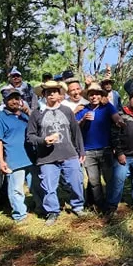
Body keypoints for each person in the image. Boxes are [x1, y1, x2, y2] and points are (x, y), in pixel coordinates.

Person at [26, 80, 86, 225]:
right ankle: (52, 211)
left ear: (60, 94)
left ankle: (78, 206)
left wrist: (81, 150)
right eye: (49, 92)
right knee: (48, 186)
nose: (52, 94)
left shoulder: (66, 111)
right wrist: (44, 140)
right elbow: (30, 136)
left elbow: (75, 132)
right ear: (44, 94)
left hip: (69, 153)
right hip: (46, 157)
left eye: (55, 91)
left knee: (76, 181)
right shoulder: (36, 113)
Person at [0, 88, 38, 222]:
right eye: (11, 99)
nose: (15, 101)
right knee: (16, 190)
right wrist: (1, 161)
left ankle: (39, 208)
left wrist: (29, 113)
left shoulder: (24, 116)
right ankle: (20, 215)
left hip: (31, 157)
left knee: (36, 187)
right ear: (5, 101)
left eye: (17, 98)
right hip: (14, 159)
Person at [75, 83, 120, 213]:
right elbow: (75, 128)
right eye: (91, 94)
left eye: (97, 94)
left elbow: (116, 117)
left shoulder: (107, 108)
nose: (94, 96)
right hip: (88, 151)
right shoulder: (82, 109)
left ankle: (111, 205)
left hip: (105, 149)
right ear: (88, 96)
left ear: (101, 96)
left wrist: (120, 122)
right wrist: (83, 119)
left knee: (109, 179)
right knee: (94, 181)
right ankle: (101, 206)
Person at [110, 90, 133, 211]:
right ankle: (112, 205)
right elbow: (114, 135)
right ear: (130, 99)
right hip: (124, 156)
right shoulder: (120, 114)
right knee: (118, 181)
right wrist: (119, 153)